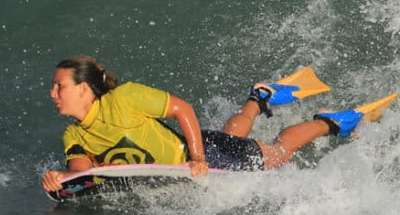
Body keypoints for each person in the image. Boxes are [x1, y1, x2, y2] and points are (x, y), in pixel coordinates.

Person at [41, 55, 377, 193]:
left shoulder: (124, 98)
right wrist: (62, 180)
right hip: (189, 164)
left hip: (201, 153)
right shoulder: (74, 132)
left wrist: (198, 158)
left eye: (60, 86)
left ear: (84, 89)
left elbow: (183, 110)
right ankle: (258, 98)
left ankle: (331, 122)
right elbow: (81, 168)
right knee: (234, 133)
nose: (53, 92)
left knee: (277, 155)